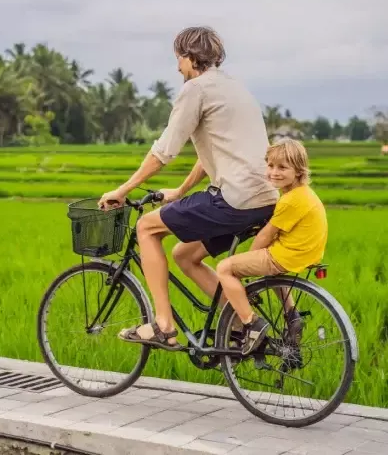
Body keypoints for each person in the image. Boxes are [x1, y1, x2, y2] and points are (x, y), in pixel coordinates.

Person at [98, 25, 279, 351]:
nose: (177, 66)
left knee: (146, 227)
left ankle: (163, 327)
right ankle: (241, 323)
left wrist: (123, 189)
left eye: (178, 58)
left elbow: (163, 151)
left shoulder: (195, 89)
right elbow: (213, 152)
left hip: (235, 199)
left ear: (190, 56)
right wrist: (180, 191)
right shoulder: (235, 88)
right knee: (185, 254)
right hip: (264, 199)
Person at [216, 138, 328, 355]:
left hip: (287, 256)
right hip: (304, 254)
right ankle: (292, 314)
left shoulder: (290, 200)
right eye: (270, 166)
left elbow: (264, 237)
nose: (274, 172)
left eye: (282, 167)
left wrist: (245, 263)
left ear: (298, 171)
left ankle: (251, 325)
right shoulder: (304, 194)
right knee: (271, 273)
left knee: (224, 268)